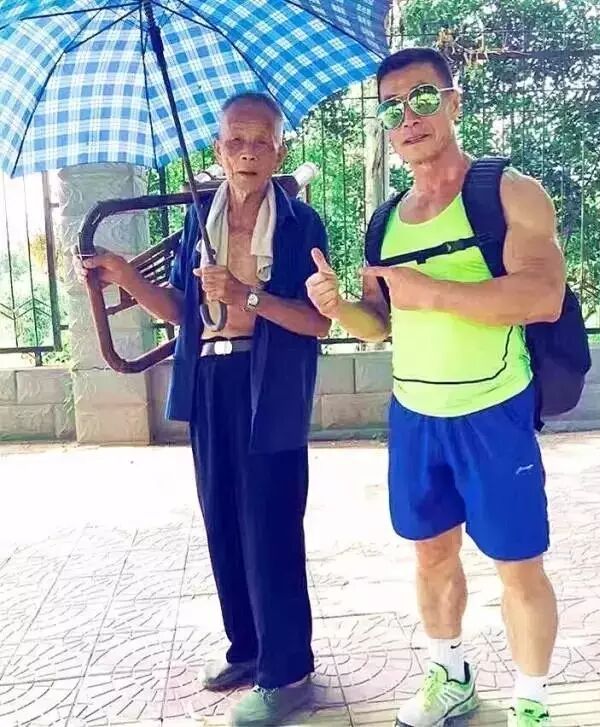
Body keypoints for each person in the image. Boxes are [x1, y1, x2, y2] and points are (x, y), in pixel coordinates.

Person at [306, 47, 566, 727]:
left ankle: (532, 703)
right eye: (391, 108)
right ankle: (450, 677)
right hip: (415, 414)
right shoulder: (385, 220)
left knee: (518, 562)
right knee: (430, 554)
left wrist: (434, 291)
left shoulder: (507, 192)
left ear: (453, 103)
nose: (408, 118)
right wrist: (339, 307)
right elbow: (381, 324)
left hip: (493, 410)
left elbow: (542, 296)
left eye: (422, 98)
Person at [76, 92, 331, 726]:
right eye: (235, 142)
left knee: (270, 523)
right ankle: (247, 649)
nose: (247, 153)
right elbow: (183, 312)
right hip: (211, 379)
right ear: (218, 149)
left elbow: (317, 322)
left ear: (279, 152)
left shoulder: (301, 225)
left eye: (261, 142)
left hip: (269, 383)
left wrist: (248, 296)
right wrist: (122, 275)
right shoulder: (200, 219)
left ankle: (288, 671)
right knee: (222, 518)